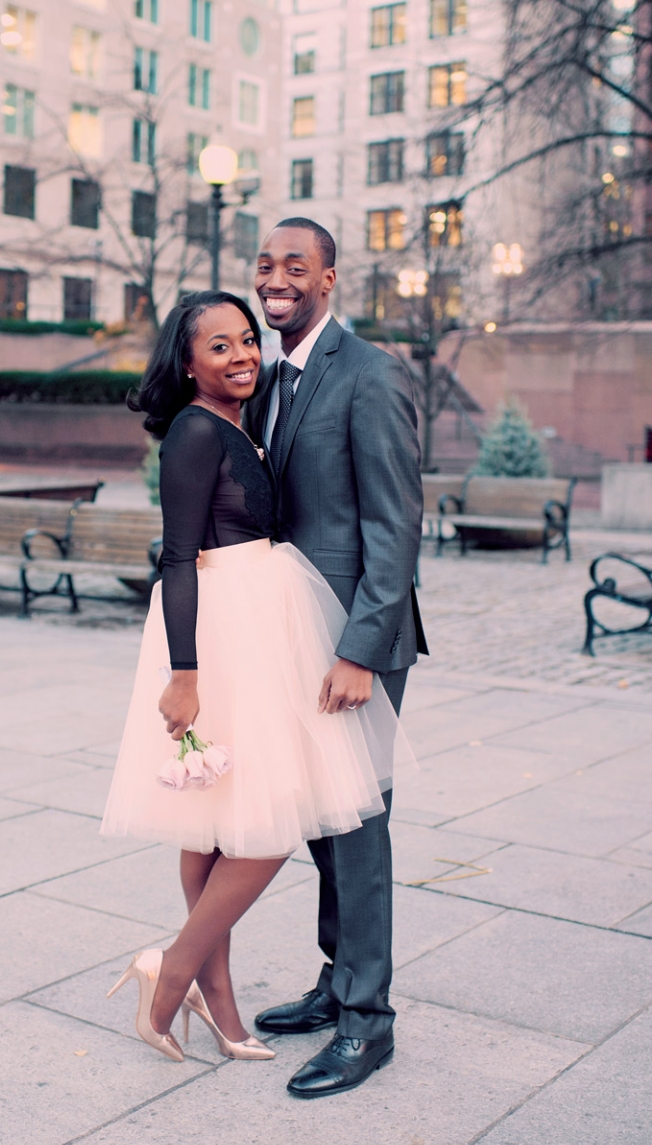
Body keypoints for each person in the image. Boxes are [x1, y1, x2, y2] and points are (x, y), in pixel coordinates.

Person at [100, 291, 413, 1071]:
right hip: (223, 632)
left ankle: (220, 1000)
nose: (241, 355)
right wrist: (183, 674)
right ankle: (172, 971)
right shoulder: (195, 432)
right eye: (219, 347)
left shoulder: (248, 409)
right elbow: (176, 557)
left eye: (247, 340)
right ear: (186, 361)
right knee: (266, 819)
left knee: (226, 821)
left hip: (268, 624)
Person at [244, 218, 427, 1098]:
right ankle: (334, 981)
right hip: (293, 634)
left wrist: (360, 648)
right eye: (265, 265)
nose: (277, 279)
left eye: (295, 266)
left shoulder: (370, 372)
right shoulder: (272, 377)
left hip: (355, 640)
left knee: (356, 827)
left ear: (329, 279)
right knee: (321, 820)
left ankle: (368, 1023)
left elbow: (395, 525)